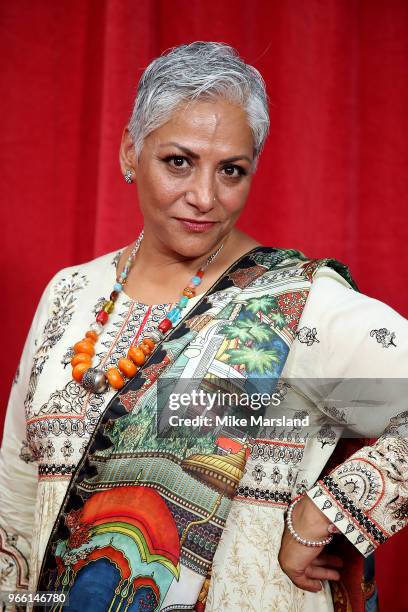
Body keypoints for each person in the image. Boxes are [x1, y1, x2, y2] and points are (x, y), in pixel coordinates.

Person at [0, 41, 406, 612]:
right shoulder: (70, 293)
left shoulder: (298, 303)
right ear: (129, 152)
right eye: (179, 161)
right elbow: (17, 493)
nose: (204, 197)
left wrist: (325, 513)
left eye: (231, 171)